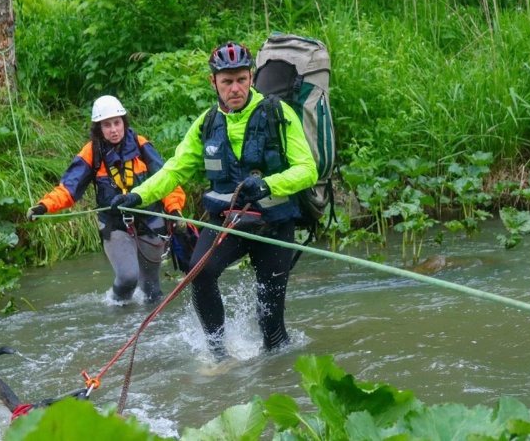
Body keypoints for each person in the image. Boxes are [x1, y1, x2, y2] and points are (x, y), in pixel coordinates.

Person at [110, 41, 318, 360]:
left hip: (275, 225)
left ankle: (278, 376)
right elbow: (174, 169)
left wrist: (266, 185)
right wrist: (137, 196)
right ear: (214, 82)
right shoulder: (206, 124)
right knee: (200, 273)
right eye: (227, 81)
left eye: (241, 79)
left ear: (251, 77)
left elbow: (307, 170)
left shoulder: (279, 113)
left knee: (272, 326)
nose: (235, 88)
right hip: (227, 223)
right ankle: (219, 354)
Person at [26, 95, 186, 304]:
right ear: (99, 128)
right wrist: (43, 206)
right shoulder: (92, 152)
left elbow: (166, 179)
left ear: (124, 122)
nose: (113, 129)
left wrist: (174, 211)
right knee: (128, 278)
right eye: (107, 124)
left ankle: (151, 331)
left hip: (149, 220)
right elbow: (69, 188)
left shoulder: (140, 144)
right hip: (114, 224)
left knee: (152, 289)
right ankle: (115, 316)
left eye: (117, 123)